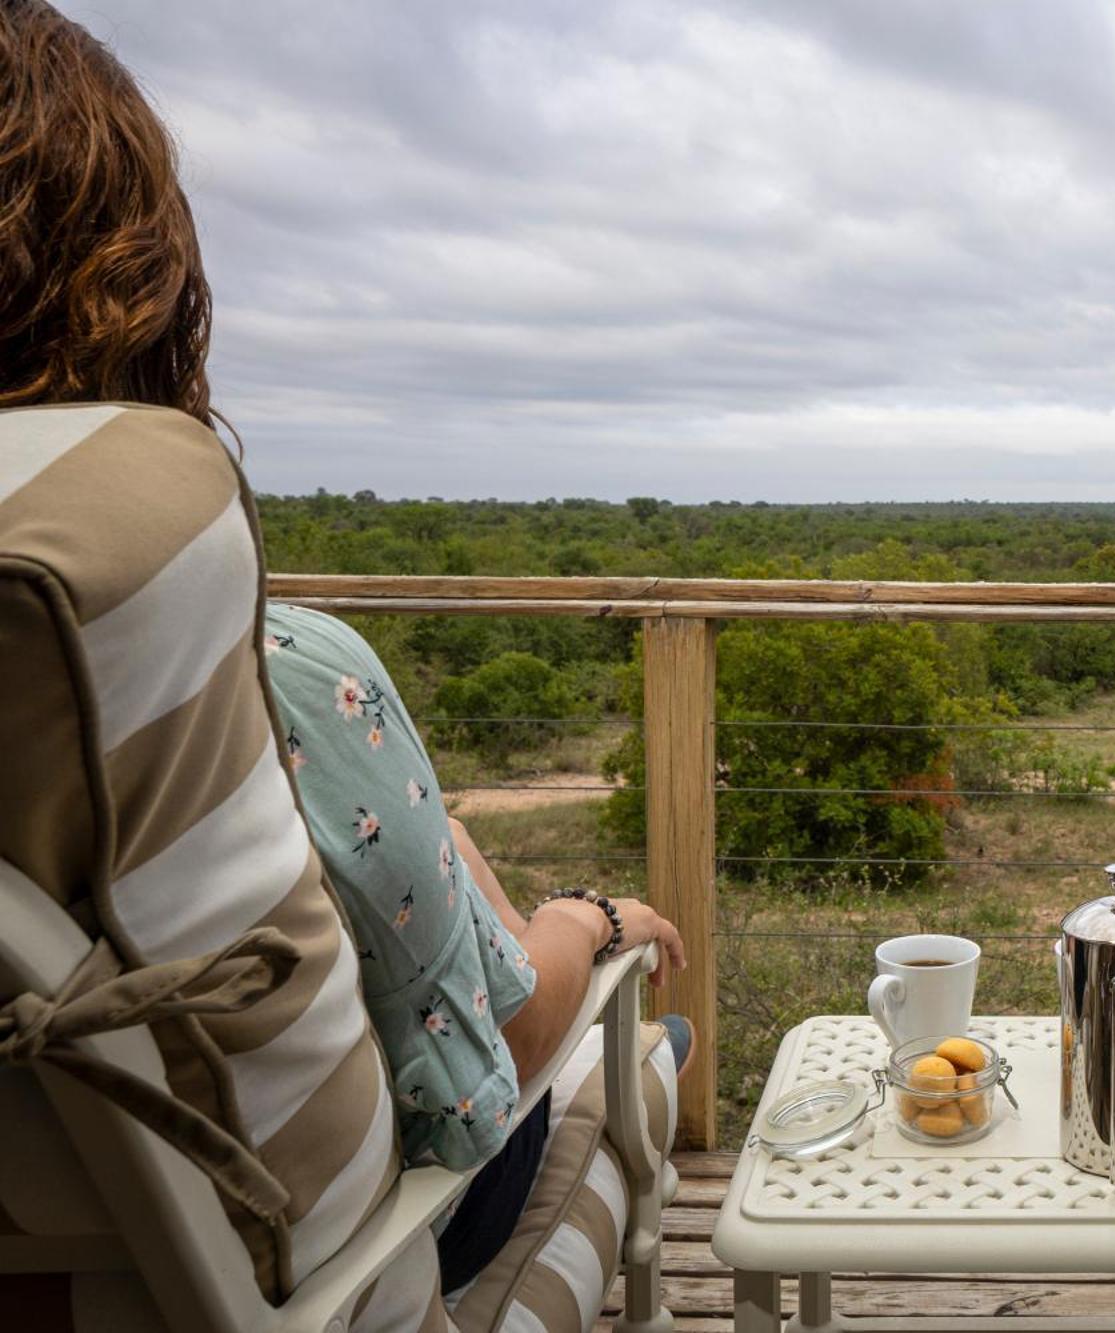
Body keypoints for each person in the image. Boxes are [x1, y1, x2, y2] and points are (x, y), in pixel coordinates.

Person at [0, 0, 691, 1299]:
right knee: (611, 1020)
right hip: (303, 1260)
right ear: (137, 273)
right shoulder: (283, 676)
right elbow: (487, 1041)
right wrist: (589, 921)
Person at [261, 601, 692, 1291]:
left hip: (160, 1251)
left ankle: (521, 947)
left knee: (452, 840)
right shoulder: (293, 667)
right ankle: (589, 991)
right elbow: (511, 1048)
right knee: (602, 1007)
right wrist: (594, 919)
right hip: (405, 1224)